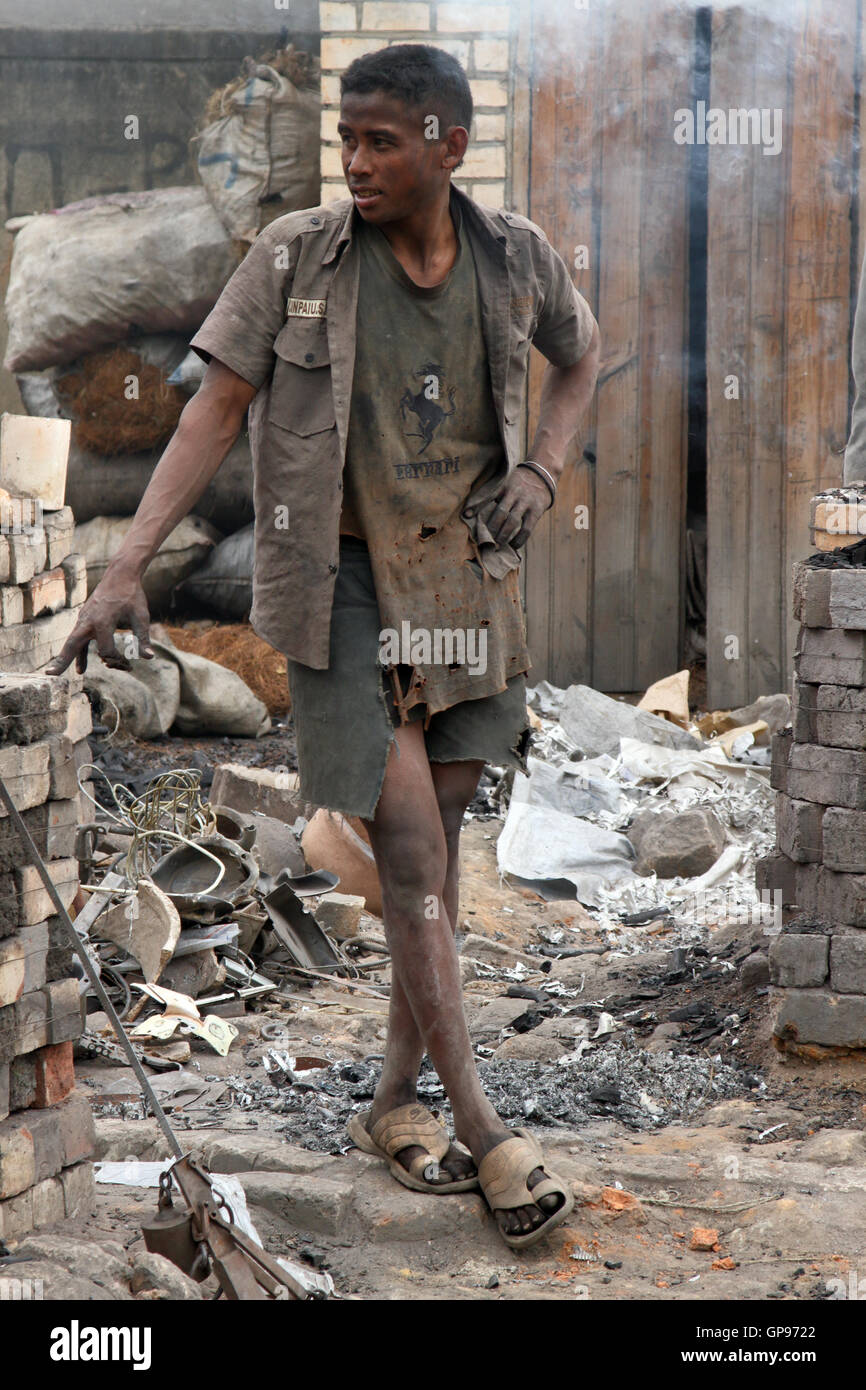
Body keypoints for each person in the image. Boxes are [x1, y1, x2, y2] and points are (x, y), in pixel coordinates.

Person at [47, 43, 600, 1249]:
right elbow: (214, 406)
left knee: (437, 853)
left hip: (464, 579)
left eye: (381, 141)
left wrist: (542, 469)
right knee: (407, 850)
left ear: (448, 143)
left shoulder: (514, 259)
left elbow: (582, 356)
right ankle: (486, 1130)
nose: (353, 161)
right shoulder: (295, 258)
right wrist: (128, 563)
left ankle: (390, 1103)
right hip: (338, 584)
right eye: (346, 139)